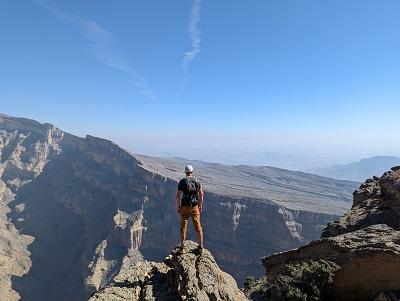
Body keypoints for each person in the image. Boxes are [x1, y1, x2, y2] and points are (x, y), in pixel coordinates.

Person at [175, 164, 204, 252]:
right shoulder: (197, 181)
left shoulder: (182, 181)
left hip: (185, 206)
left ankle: (182, 246)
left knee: (183, 226)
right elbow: (201, 194)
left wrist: (178, 206)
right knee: (198, 225)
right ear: (192, 172)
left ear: (185, 172)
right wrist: (200, 205)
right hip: (194, 206)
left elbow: (177, 195)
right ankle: (201, 245)